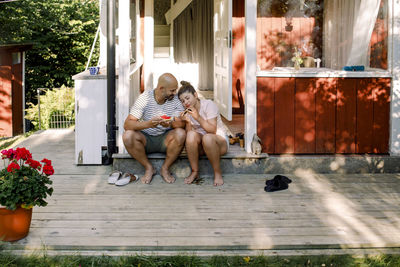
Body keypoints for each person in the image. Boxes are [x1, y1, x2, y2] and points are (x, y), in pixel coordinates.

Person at [123, 73, 186, 184]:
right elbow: (127, 124)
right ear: (161, 88)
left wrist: (170, 124)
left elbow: (182, 124)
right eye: (172, 90)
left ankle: (165, 168)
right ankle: (149, 168)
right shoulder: (145, 97)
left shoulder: (175, 99)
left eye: (175, 90)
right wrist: (148, 124)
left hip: (166, 140)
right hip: (146, 139)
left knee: (181, 134)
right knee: (128, 136)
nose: (175, 93)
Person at [178, 81, 228, 186]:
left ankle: (217, 173)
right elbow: (189, 137)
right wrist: (187, 121)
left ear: (195, 95)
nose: (185, 102)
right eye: (182, 101)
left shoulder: (209, 105)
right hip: (202, 146)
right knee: (191, 135)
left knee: (208, 138)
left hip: (218, 143)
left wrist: (198, 117)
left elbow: (212, 130)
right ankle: (195, 171)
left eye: (187, 98)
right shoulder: (188, 111)